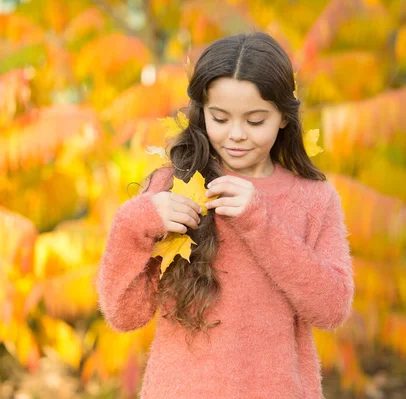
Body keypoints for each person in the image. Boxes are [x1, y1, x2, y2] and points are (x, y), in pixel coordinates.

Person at [96, 31, 354, 399]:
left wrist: (260, 223)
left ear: (283, 117)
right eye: (219, 118)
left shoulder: (313, 199)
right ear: (202, 114)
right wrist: (133, 223)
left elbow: (331, 309)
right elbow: (125, 315)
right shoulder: (173, 186)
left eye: (255, 121)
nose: (235, 135)